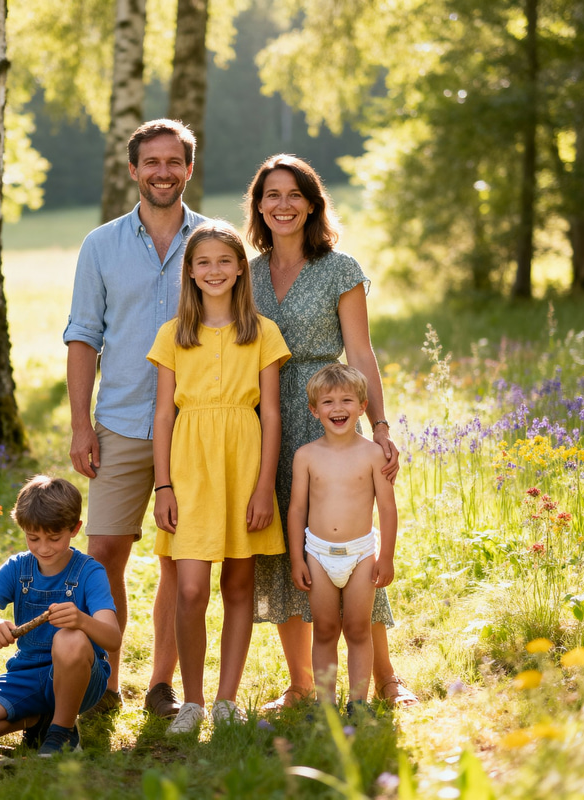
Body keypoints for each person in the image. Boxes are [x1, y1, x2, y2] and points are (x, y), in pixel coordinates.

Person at [245, 154, 418, 709]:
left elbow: (361, 351)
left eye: (294, 194)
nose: (283, 205)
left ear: (313, 203)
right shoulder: (247, 273)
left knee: (352, 546)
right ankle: (303, 685)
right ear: (259, 206)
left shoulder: (340, 269)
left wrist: (381, 425)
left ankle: (388, 678)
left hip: (331, 414)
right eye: (272, 195)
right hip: (266, 422)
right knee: (286, 551)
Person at [63, 119, 207, 719]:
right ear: (133, 170)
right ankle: (106, 680)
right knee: (104, 555)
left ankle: (161, 684)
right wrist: (80, 424)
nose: (163, 172)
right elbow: (82, 338)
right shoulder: (100, 245)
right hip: (119, 421)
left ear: (189, 169)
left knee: (178, 558)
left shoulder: (213, 243)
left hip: (196, 427)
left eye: (174, 161)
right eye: (152, 162)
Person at [147, 220, 290, 734]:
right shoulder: (173, 335)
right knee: (189, 589)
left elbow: (270, 414)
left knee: (238, 584)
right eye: (203, 262)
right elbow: (163, 416)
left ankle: (227, 700)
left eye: (225, 261)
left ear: (240, 269)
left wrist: (263, 487)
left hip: (244, 463)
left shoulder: (262, 332)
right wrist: (163, 485)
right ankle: (192, 701)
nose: (214, 271)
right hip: (188, 468)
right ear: (189, 271)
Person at [0, 475, 121, 756]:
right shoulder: (18, 568)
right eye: (33, 538)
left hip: (83, 679)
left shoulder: (90, 572)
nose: (43, 548)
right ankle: (41, 722)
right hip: (27, 674)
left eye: (54, 538)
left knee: (70, 638)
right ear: (23, 529)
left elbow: (112, 638)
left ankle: (63, 733)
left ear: (75, 529)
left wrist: (82, 621)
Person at [288, 364, 397, 713]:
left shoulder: (372, 454)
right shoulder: (306, 456)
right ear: (314, 410)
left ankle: (358, 703)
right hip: (318, 554)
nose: (338, 408)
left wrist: (387, 556)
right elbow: (296, 510)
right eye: (329, 401)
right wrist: (296, 558)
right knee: (324, 629)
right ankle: (324, 705)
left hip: (361, 553)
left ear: (363, 406)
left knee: (357, 628)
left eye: (347, 400)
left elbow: (388, 510)